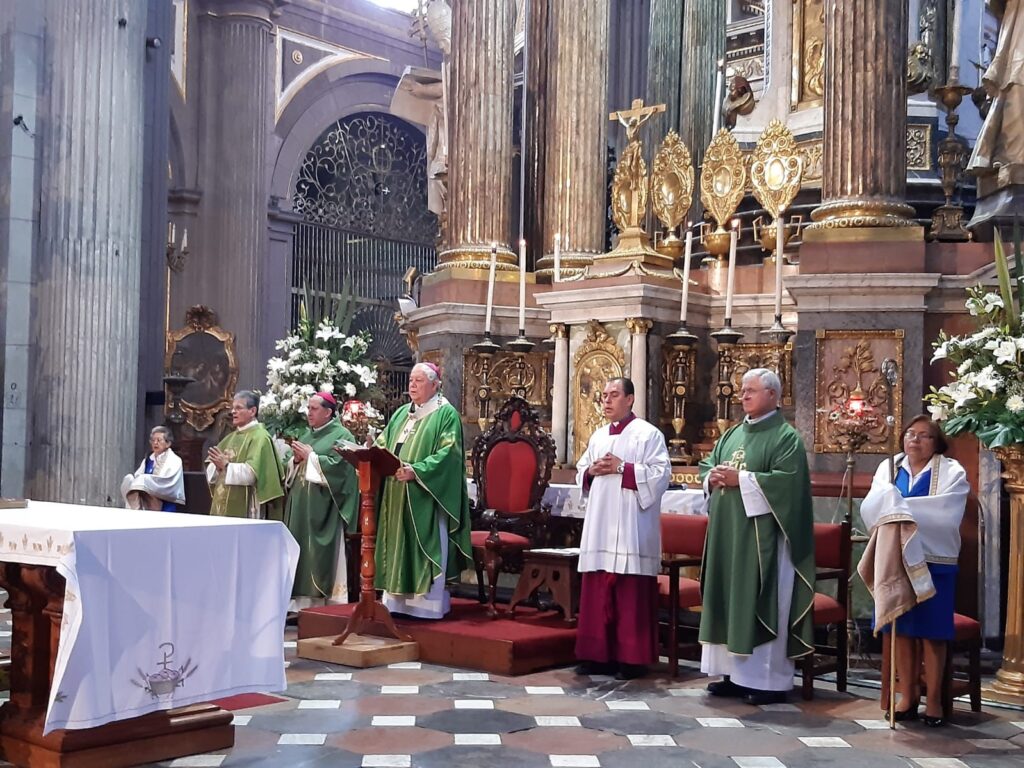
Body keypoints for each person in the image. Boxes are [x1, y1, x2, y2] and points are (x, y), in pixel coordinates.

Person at [698, 368, 816, 705]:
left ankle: (768, 681)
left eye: (750, 390)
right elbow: (708, 465)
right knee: (729, 597)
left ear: (773, 396)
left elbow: (788, 486)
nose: (743, 396)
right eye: (742, 390)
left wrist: (743, 480)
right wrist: (714, 476)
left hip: (764, 541)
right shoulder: (732, 434)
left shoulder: (786, 438)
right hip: (728, 536)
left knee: (761, 599)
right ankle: (735, 675)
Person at [860, 415, 969, 727]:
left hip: (935, 560)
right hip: (897, 559)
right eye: (910, 434)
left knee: (933, 632)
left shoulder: (951, 470)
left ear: (936, 442)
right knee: (903, 630)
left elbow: (947, 511)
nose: (915, 440)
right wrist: (894, 505)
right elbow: (872, 505)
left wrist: (899, 505)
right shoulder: (889, 467)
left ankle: (934, 700)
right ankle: (908, 696)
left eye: (923, 435)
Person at [574, 377, 671, 680]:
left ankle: (632, 658)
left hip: (631, 526)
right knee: (598, 588)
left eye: (614, 395)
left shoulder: (648, 435)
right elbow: (582, 471)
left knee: (630, 593)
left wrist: (622, 467)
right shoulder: (598, 436)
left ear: (630, 399)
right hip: (602, 524)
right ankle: (596, 655)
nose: (606, 401)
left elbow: (660, 475)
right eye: (603, 396)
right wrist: (590, 471)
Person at [374, 361, 472, 618]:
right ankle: (395, 601)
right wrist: (368, 454)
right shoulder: (402, 414)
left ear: (435, 384)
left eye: (418, 381)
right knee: (396, 544)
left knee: (422, 541)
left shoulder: (445, 413)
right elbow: (382, 443)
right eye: (410, 381)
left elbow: (449, 455)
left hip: (424, 494)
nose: (412, 385)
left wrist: (416, 471)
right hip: (396, 492)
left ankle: (426, 605)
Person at [284, 392, 359, 609]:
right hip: (300, 507)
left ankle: (322, 603)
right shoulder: (306, 435)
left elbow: (343, 471)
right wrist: (295, 462)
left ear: (328, 412)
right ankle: (298, 605)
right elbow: (288, 470)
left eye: (314, 409)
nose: (309, 413)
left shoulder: (342, 436)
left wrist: (312, 458)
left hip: (324, 510)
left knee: (317, 555)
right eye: (308, 408)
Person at [206, 390, 285, 520]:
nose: (233, 412)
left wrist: (226, 466)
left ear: (252, 411)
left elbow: (253, 474)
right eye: (233, 408)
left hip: (247, 504)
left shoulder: (260, 437)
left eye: (238, 408)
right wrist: (216, 467)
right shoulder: (230, 437)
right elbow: (212, 470)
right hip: (223, 502)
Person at [121, 426, 186, 511]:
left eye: (159, 440)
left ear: (168, 444)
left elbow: (168, 483)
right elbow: (138, 477)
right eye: (153, 440)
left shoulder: (174, 460)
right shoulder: (148, 459)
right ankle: (135, 509)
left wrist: (147, 481)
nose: (155, 443)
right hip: (146, 500)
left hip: (165, 503)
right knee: (128, 479)